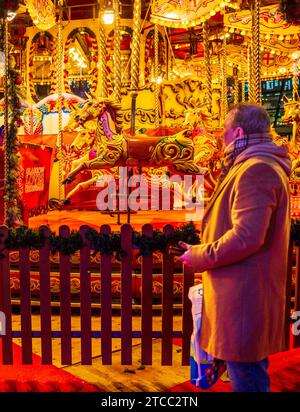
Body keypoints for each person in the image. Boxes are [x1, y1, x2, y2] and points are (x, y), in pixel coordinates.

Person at [178, 103, 291, 392]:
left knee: (247, 378)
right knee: (245, 370)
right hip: (243, 293)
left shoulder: (257, 169)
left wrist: (201, 255)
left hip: (244, 297)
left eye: (225, 134)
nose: (222, 141)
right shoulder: (255, 165)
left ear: (238, 132)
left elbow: (247, 236)